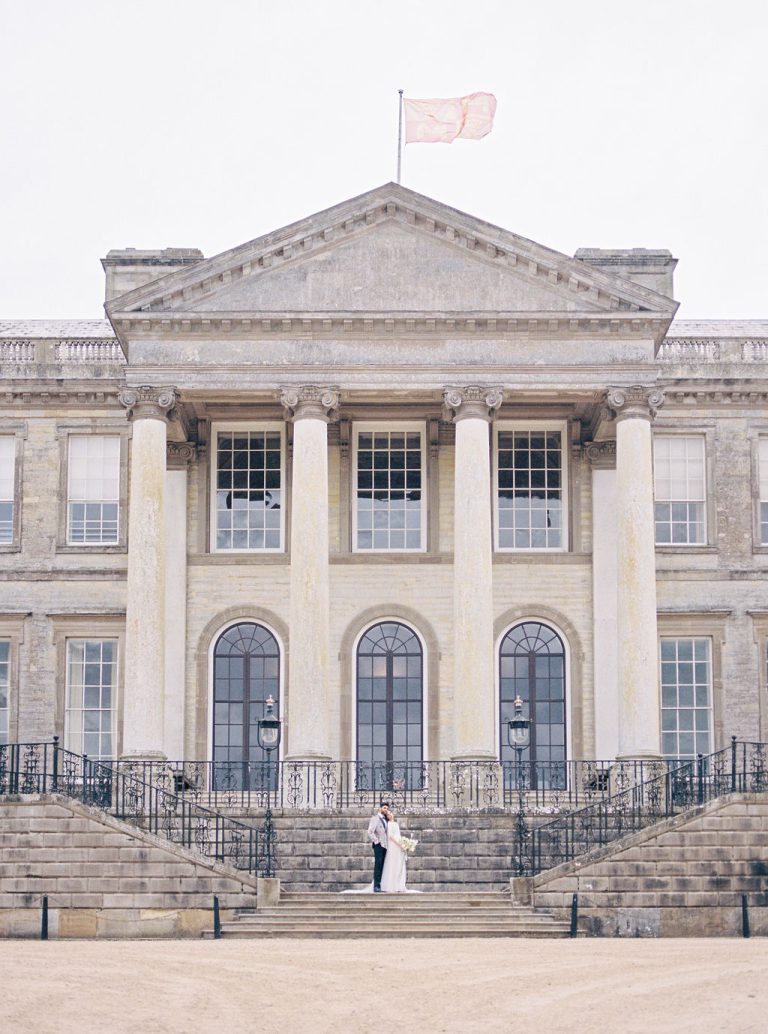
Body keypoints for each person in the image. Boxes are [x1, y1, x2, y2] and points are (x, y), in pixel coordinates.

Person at [380, 805, 408, 893]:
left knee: (399, 864)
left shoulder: (396, 824)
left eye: (390, 813)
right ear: (387, 817)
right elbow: (391, 837)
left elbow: (398, 835)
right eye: (388, 815)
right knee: (392, 864)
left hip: (398, 845)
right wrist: (399, 845)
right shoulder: (388, 824)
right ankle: (391, 885)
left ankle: (398, 885)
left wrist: (403, 843)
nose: (390, 815)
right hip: (393, 846)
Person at [366, 800, 390, 892]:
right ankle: (376, 886)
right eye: (384, 808)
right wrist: (377, 842)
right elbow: (370, 831)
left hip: (386, 846)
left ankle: (382, 884)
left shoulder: (386, 819)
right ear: (380, 809)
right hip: (379, 845)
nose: (386, 809)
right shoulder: (375, 818)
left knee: (383, 865)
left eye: (387, 808)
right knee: (378, 865)